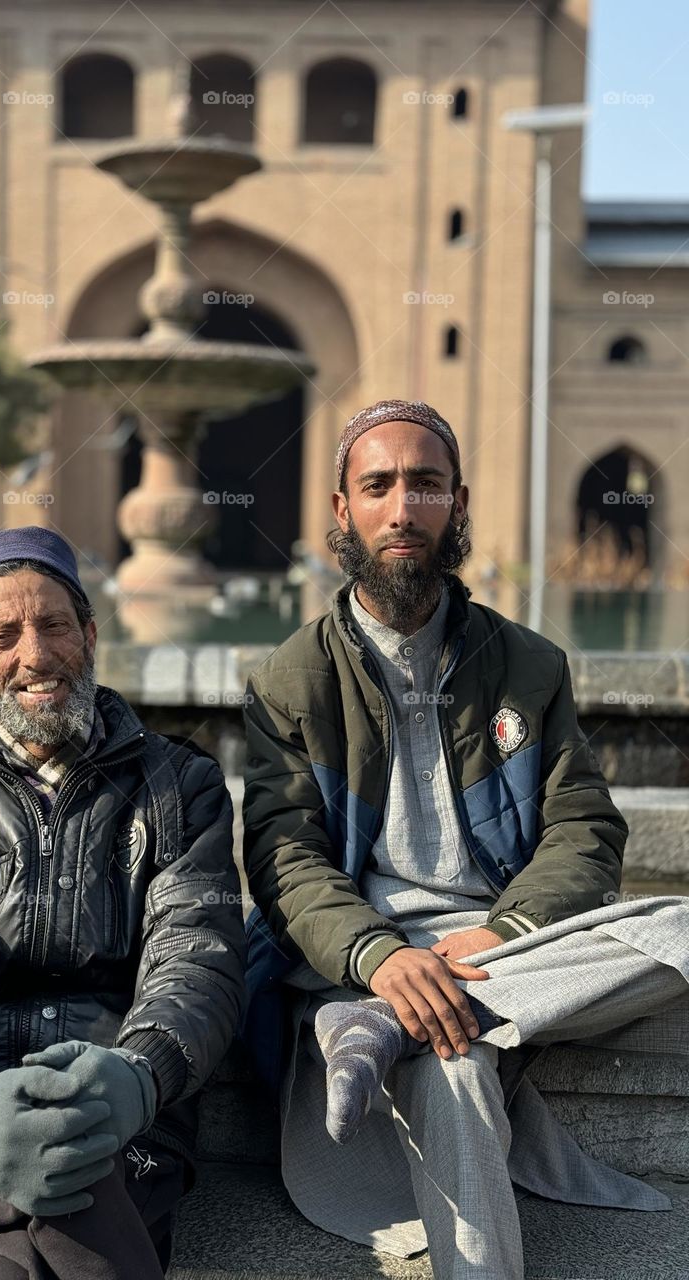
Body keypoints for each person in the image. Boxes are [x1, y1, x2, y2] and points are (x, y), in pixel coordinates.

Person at [241, 399, 689, 1279]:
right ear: (343, 508)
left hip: (503, 945)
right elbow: (284, 857)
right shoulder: (291, 679)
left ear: (458, 501)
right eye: (379, 486)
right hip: (365, 953)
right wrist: (378, 958)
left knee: (679, 926)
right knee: (454, 1068)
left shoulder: (527, 664)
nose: (403, 507)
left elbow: (583, 828)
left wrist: (498, 937)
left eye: (426, 484)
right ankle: (412, 1015)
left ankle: (392, 1028)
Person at [0, 526, 246, 1280]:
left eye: (54, 625)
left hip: (126, 1099)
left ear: (90, 635)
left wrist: (137, 1075)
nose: (35, 655)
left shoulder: (180, 789)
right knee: (69, 1215)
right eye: (4, 636)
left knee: (33, 1228)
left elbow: (199, 956)